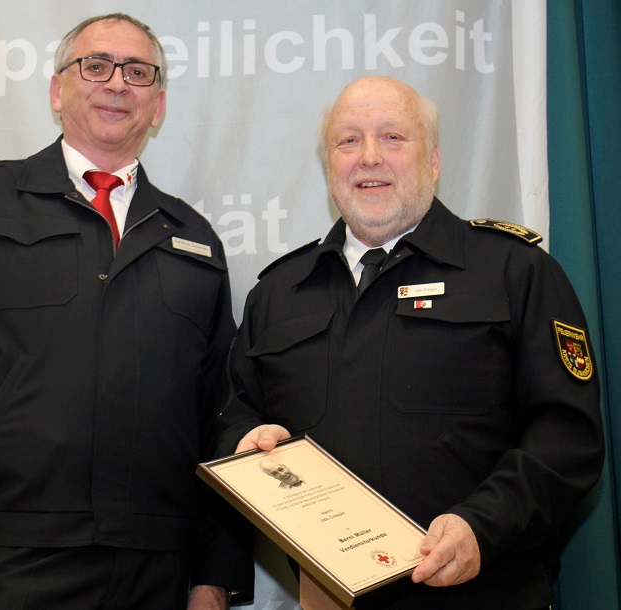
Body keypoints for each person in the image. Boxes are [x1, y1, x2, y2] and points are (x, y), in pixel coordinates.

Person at [0, 13, 251, 610]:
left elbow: (219, 411)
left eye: (138, 72)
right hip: (11, 560)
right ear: (57, 90)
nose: (117, 83)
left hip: (157, 567)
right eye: (96, 65)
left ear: (158, 105)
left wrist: (213, 575)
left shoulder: (194, 237)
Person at [214, 76, 604, 609]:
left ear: (434, 159)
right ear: (329, 164)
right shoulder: (278, 293)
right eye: (348, 140)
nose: (369, 157)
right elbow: (234, 416)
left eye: (393, 137)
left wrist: (482, 526)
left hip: (482, 593)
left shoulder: (514, 271)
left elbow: (567, 438)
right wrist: (246, 445)